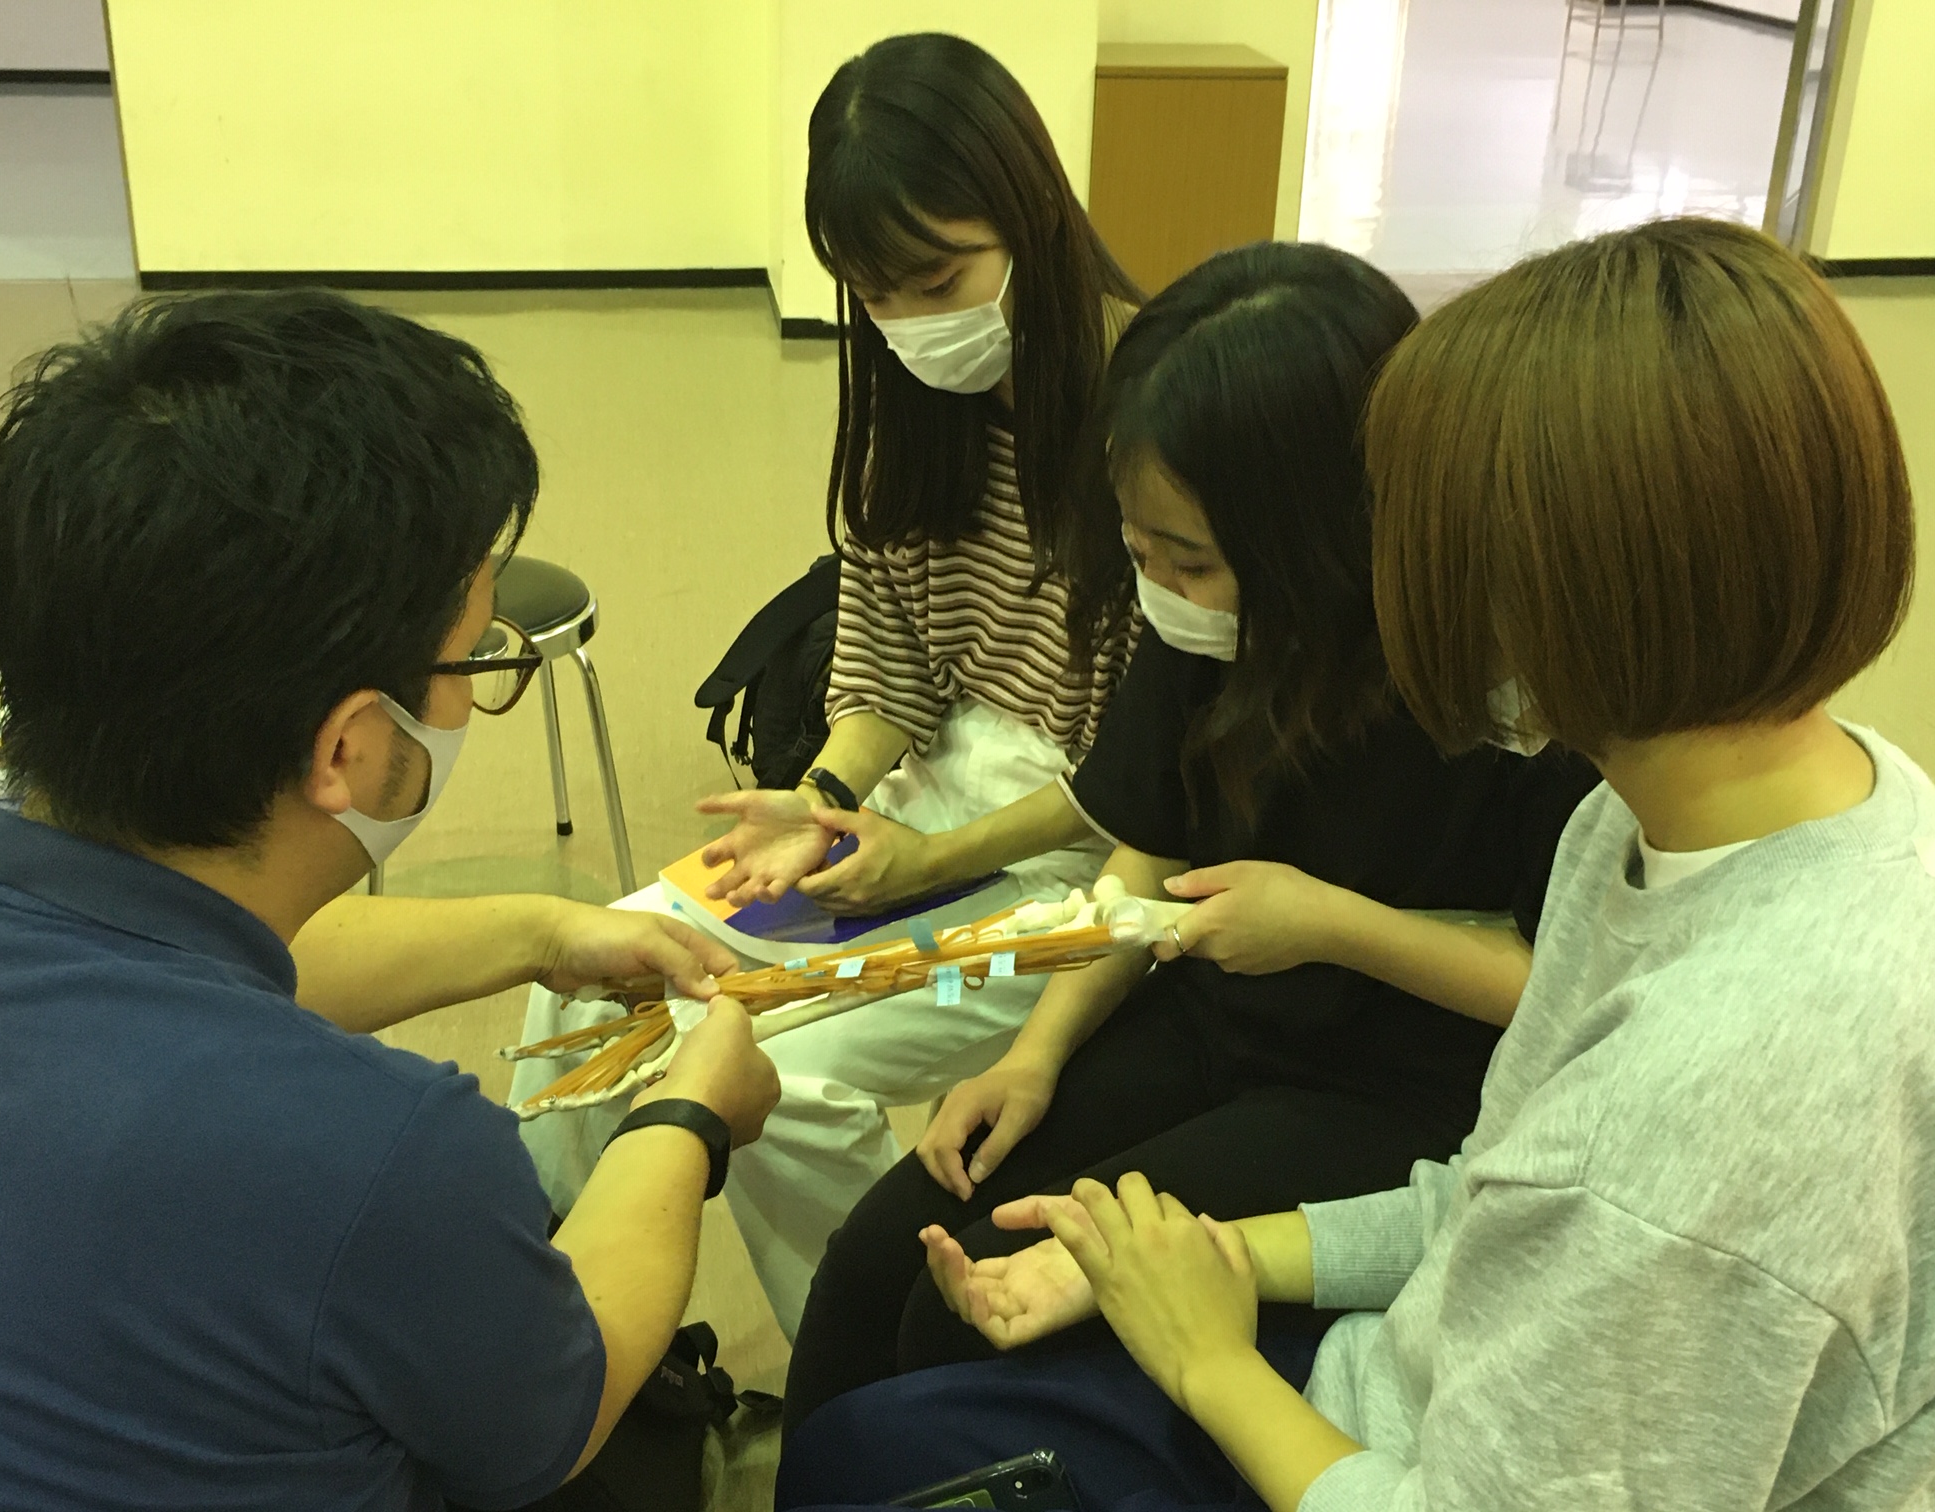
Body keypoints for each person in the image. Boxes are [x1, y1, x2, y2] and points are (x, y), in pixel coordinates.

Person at [774, 217, 1935, 1511]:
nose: (1409, 590)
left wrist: (1207, 1356)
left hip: (1382, 1404)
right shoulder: (1671, 822)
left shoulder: (1698, 1118)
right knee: (897, 1329)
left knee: (882, 1444)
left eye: (1431, 547)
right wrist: (1208, 1254)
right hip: (1390, 1354)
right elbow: (1480, 1206)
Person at [0, 290, 779, 1511]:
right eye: (473, 660)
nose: (471, 698)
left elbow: (198, 977)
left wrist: (540, 930)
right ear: (347, 748)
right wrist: (686, 1120)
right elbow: (559, 1408)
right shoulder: (388, 1157)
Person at [779, 241, 1598, 1429]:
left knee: (966, 1316)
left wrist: (1335, 928)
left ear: (1325, 533)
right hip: (1216, 1020)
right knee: (879, 1256)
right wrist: (1034, 1055)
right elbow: (1147, 859)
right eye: (1138, 547)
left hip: (1394, 1095)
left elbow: (1567, 987)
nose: (1158, 584)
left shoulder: (1508, 691)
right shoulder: (1204, 628)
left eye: (1192, 560)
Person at [514, 32, 1143, 1338]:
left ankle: (882, 1366)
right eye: (875, 293)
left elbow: (1154, 780)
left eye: (938, 280)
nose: (912, 323)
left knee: (774, 1081)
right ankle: (557, 1343)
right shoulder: (915, 407)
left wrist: (932, 857)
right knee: (587, 974)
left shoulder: (1154, 408)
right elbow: (887, 673)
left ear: (1032, 212)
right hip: (932, 804)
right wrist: (821, 798)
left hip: (1085, 859)